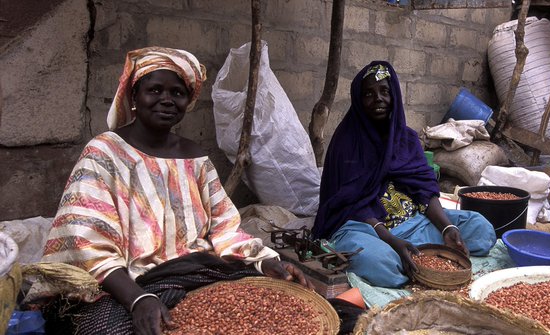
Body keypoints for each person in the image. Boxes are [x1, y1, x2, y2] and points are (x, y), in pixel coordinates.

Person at [40, 47, 312, 335]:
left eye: (177, 93)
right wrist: (139, 299)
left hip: (195, 271)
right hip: (129, 282)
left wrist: (265, 259)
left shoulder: (195, 158)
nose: (166, 100)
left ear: (188, 100)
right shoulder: (104, 152)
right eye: (154, 90)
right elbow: (86, 241)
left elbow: (224, 227)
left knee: (278, 308)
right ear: (134, 96)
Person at [312, 61, 496, 289]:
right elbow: (351, 202)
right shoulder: (347, 143)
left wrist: (447, 228)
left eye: (385, 92)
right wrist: (391, 240)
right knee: (382, 264)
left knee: (482, 229)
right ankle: (415, 257)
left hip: (416, 221)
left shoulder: (406, 139)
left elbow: (425, 190)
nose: (378, 98)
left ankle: (421, 252)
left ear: (395, 97)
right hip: (365, 227)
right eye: (368, 94)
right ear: (358, 101)